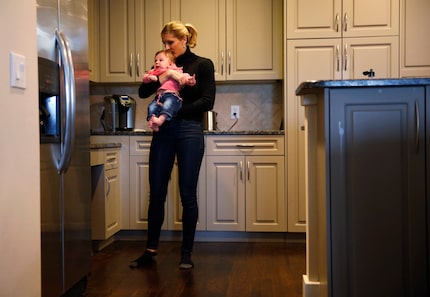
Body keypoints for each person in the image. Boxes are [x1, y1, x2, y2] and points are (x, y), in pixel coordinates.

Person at [130, 21, 216, 270]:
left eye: (171, 42)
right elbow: (143, 91)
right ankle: (150, 250)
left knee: (187, 193)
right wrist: (164, 75)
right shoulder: (163, 63)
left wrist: (173, 111)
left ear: (184, 40)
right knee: (156, 192)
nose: (167, 47)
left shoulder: (202, 65)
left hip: (189, 130)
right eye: (164, 43)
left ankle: (186, 253)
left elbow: (207, 101)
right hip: (164, 132)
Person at [143, 49, 196, 131]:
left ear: (170, 63)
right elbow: (144, 80)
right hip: (159, 97)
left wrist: (190, 81)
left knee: (168, 106)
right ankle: (153, 122)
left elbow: (184, 77)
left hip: (171, 95)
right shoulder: (155, 71)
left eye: (161, 60)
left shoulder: (176, 70)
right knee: (152, 107)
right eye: (155, 60)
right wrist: (149, 77)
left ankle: (160, 120)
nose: (157, 62)